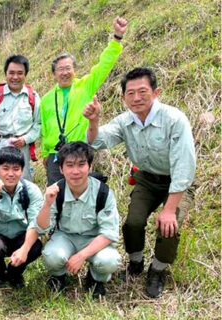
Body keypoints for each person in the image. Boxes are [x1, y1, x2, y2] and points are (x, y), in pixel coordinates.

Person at [83, 67, 196, 298]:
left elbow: (184, 167)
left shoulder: (174, 119)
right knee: (133, 222)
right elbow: (97, 142)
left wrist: (169, 209)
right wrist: (94, 122)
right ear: (123, 97)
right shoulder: (125, 121)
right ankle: (135, 263)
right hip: (146, 179)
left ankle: (157, 270)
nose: (136, 98)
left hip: (177, 182)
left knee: (168, 227)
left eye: (142, 91)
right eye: (130, 93)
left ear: (156, 92)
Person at [39, 17, 128, 185]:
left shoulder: (85, 86)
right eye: (60, 69)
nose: (64, 73)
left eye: (68, 68)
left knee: (82, 193)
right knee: (57, 198)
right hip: (55, 155)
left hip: (79, 151)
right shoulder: (46, 99)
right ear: (54, 74)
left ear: (74, 70)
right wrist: (45, 153)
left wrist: (116, 38)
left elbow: (104, 65)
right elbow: (44, 128)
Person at [36, 142, 120, 299]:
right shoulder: (55, 191)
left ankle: (95, 279)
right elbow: (42, 228)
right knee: (52, 255)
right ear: (61, 168)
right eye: (69, 165)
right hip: (65, 237)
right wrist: (47, 204)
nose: (75, 171)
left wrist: (81, 256)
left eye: (81, 165)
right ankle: (58, 276)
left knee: (109, 260)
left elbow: (109, 233)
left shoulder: (103, 192)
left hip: (94, 239)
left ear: (90, 166)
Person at [0, 146, 43, 289]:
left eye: (16, 169)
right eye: (5, 168)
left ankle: (15, 273)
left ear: (22, 170)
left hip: (21, 236)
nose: (11, 174)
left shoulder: (31, 190)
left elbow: (36, 224)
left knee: (35, 246)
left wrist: (24, 249)